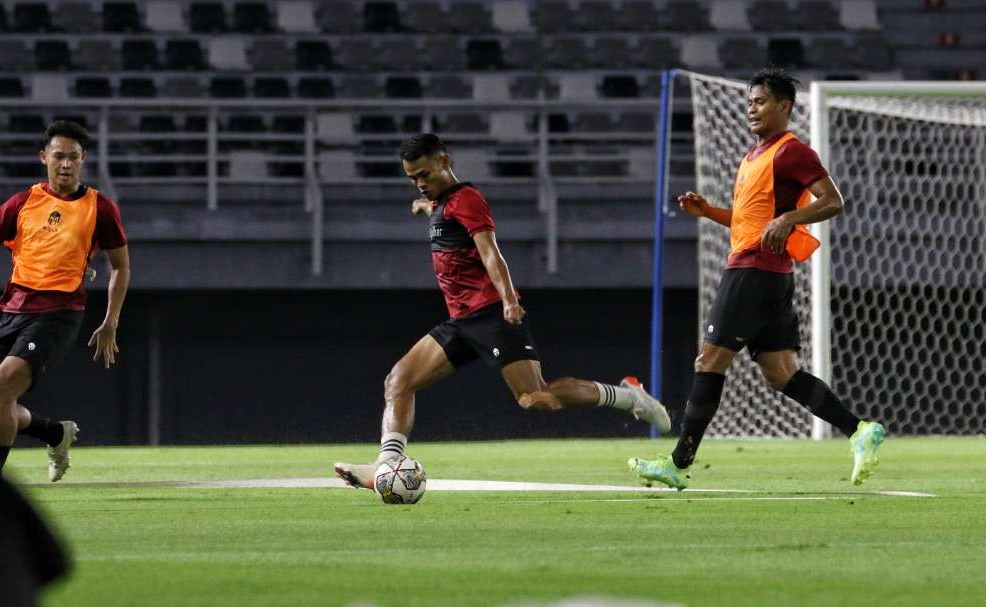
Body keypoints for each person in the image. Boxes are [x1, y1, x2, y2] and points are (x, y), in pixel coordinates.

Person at [334, 133, 670, 490]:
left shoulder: (468, 200)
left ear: (445, 162)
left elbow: (491, 253)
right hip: (461, 322)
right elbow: (441, 213)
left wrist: (509, 299)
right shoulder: (443, 203)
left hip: (493, 315)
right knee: (399, 381)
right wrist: (425, 207)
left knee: (537, 399)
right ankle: (385, 465)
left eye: (424, 174)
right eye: (413, 178)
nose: (420, 183)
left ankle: (629, 396)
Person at [627, 69, 885, 491]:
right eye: (749, 102)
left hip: (752, 273)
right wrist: (710, 212)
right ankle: (860, 430)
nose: (752, 108)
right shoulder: (752, 156)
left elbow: (833, 200)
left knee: (709, 361)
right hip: (769, 276)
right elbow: (751, 222)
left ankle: (677, 462)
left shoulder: (791, 152)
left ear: (784, 106)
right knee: (782, 373)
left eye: (761, 101)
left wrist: (790, 217)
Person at [0, 120, 129, 481]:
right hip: (13, 311)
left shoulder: (99, 207)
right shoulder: (22, 203)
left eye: (74, 157)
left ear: (84, 158)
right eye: (59, 156)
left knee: (3, 386)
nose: (66, 164)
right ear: (44, 157)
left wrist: (110, 320)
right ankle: (54, 433)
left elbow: (120, 266)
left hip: (58, 313)